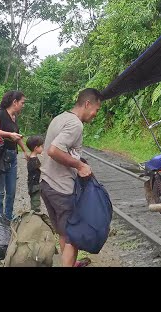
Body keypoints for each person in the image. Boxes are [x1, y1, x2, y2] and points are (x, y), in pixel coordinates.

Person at [40, 88, 102, 267]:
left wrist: (77, 160)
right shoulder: (76, 124)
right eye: (96, 110)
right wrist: (79, 165)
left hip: (47, 184)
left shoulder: (60, 118)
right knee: (73, 237)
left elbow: (61, 148)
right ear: (87, 104)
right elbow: (54, 150)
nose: (95, 114)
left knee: (64, 232)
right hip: (61, 189)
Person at [0, 90, 29, 221]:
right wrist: (8, 134)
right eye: (22, 103)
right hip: (0, 157)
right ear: (15, 102)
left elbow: (16, 137)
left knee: (11, 191)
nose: (23, 105)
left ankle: (8, 217)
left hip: (12, 156)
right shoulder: (1, 113)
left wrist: (25, 150)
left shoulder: (14, 117)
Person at [26, 135, 45, 212]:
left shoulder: (31, 158)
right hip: (34, 186)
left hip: (32, 184)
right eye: (41, 146)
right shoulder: (35, 161)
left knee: (34, 201)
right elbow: (43, 169)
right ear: (36, 148)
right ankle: (34, 217)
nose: (42, 148)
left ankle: (34, 215)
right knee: (35, 203)